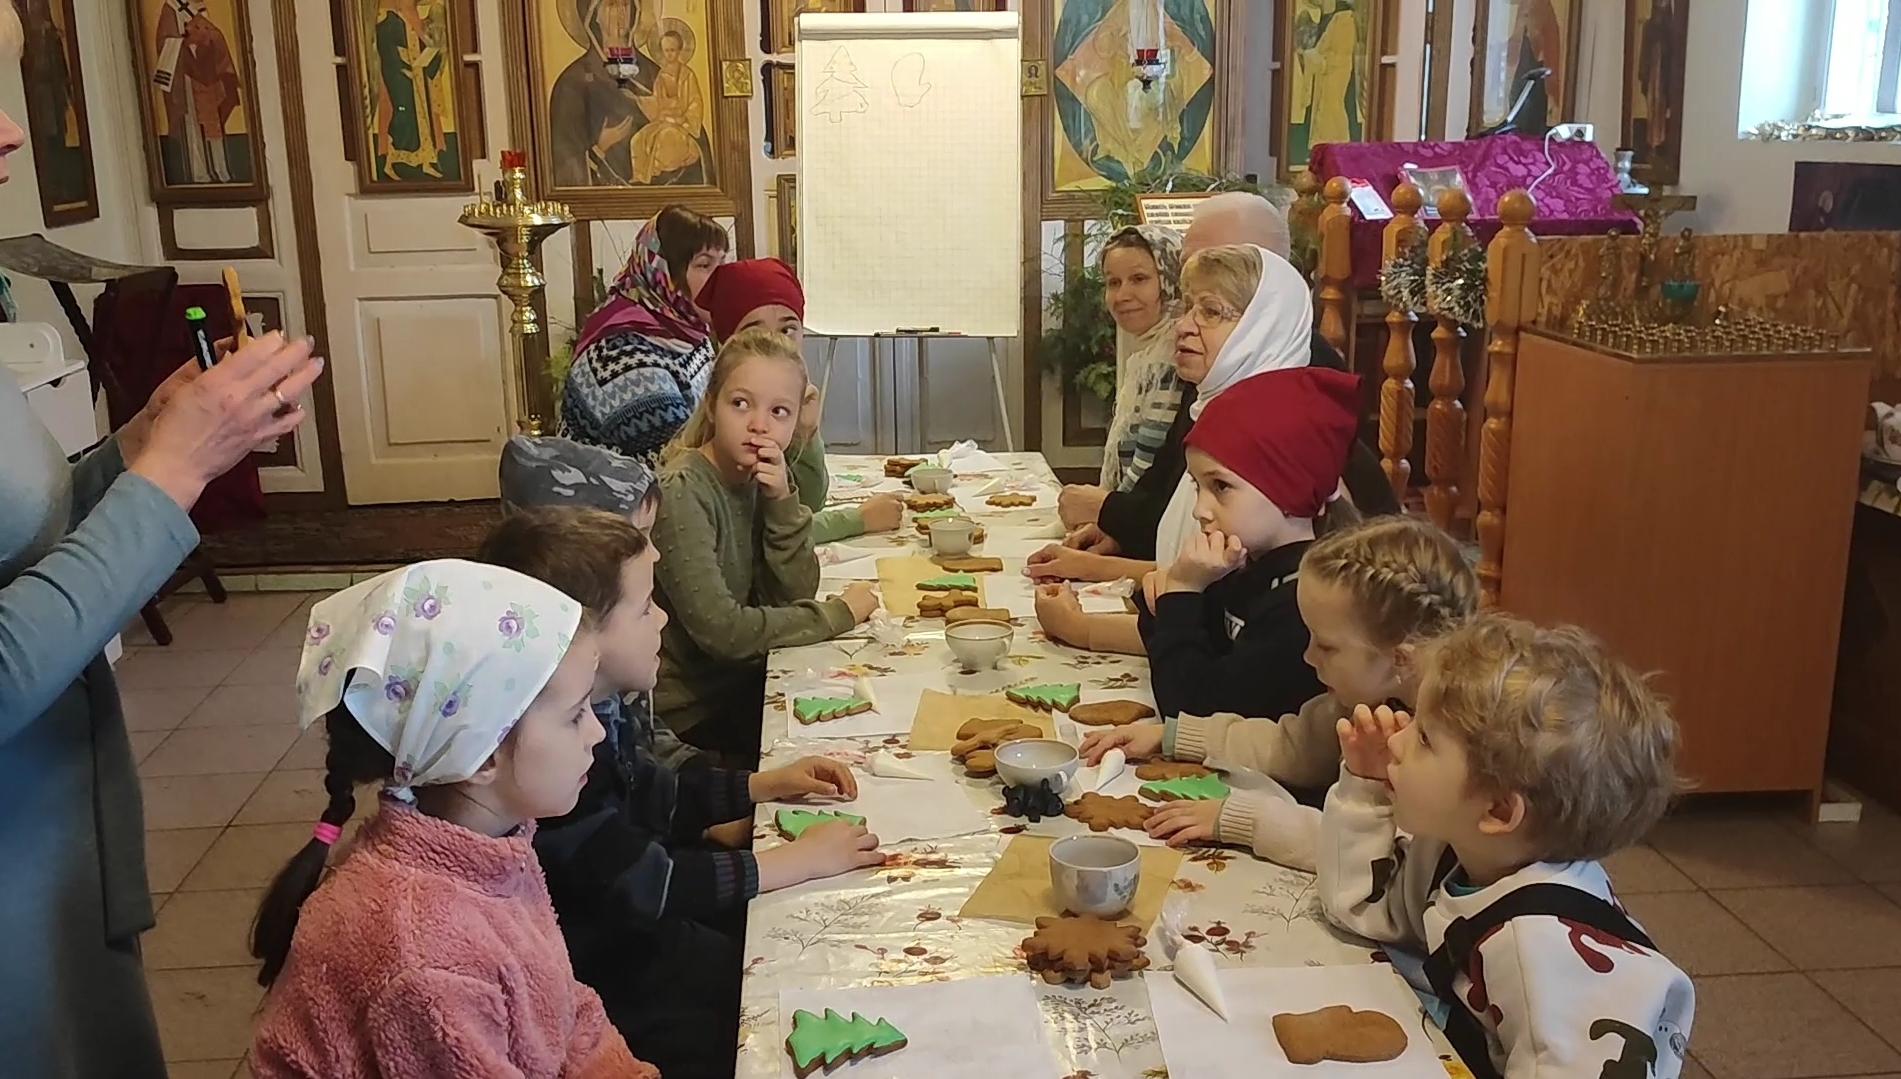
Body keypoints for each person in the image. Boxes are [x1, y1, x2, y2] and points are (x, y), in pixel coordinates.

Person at [2, 26, 321, 1054]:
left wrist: (145, 441)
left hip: (56, 840)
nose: (12, 134)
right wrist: (171, 474)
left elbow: (25, 539)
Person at [478, 506, 885, 1078]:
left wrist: (760, 784)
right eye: (646, 606)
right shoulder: (550, 767)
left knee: (785, 955)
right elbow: (647, 883)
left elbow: (653, 792)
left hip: (638, 940)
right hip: (615, 979)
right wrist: (798, 861)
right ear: (583, 630)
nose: (664, 618)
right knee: (773, 998)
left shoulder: (593, 715)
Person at [247, 560, 659, 1078]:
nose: (596, 733)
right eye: (575, 714)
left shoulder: (492, 851)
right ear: (481, 754)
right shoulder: (425, 957)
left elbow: (561, 1012)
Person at [1320, 614, 1693, 1079]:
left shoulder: (1539, 955)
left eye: (1425, 739)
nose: (1395, 740)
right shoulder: (1467, 852)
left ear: (1497, 811)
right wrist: (1366, 787)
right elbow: (1365, 911)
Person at [1079, 515, 1478, 871]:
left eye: (1326, 646)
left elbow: (1377, 855)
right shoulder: (1365, 697)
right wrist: (1173, 735)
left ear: (1400, 660)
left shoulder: (1443, 750)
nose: (1307, 657)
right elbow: (1293, 746)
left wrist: (1245, 820)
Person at [1056, 193, 1395, 554]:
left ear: (1265, 286)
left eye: (1212, 305)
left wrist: (1109, 513)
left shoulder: (1300, 385)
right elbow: (1168, 489)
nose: (1183, 323)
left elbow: (1236, 552)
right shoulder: (1216, 373)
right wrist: (1118, 537)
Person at [1032, 243, 1324, 597]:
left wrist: (1086, 597)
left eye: (1211, 311)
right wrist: (1109, 549)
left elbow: (1219, 599)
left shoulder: (1274, 432)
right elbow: (1183, 558)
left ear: (1264, 325)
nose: (1183, 326)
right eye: (1188, 309)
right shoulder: (1207, 406)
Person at [649, 327, 881, 760]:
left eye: (779, 412)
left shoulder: (766, 473)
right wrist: (839, 614)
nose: (759, 425)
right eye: (741, 404)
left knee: (867, 705)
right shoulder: (683, 491)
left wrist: (781, 502)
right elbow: (723, 632)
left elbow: (793, 594)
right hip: (692, 715)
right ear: (711, 405)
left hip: (747, 680)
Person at [695, 257, 903, 543]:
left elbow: (806, 504)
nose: (774, 344)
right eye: (755, 332)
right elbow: (759, 538)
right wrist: (857, 520)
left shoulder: (782, 410)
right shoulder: (727, 438)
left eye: (787, 330)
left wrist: (806, 433)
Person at [561, 205, 728, 467]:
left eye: (723, 263)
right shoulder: (625, 359)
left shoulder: (687, 331)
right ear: (661, 272)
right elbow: (681, 470)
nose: (722, 278)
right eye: (705, 265)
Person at [1053, 225, 1185, 530]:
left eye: (1139, 279)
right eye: (1113, 282)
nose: (1122, 295)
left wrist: (1105, 516)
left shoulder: (1175, 359)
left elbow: (1149, 471)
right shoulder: (1145, 355)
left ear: (1171, 280)